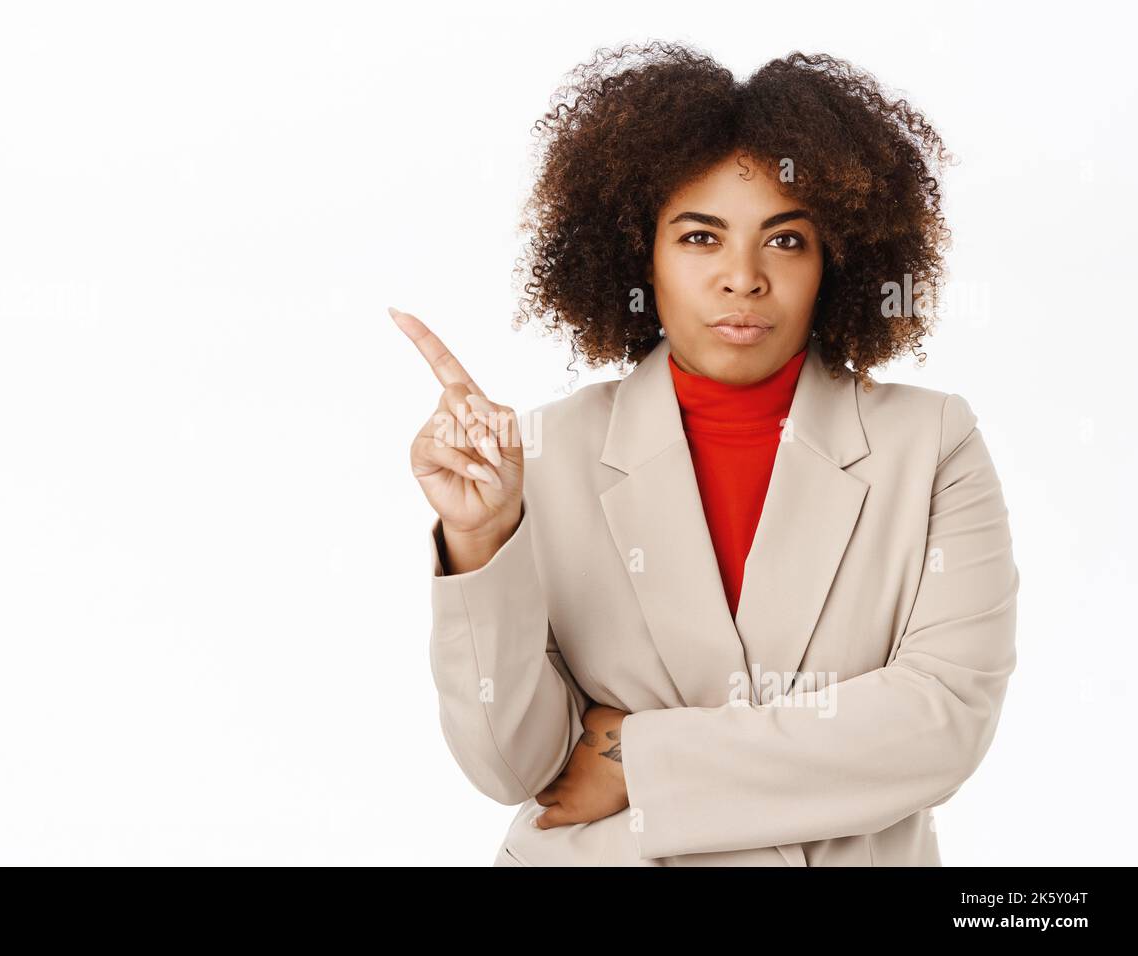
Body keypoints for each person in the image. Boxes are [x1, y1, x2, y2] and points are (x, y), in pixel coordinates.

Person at [394, 44, 1018, 866]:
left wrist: (637, 761)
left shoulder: (932, 444)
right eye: (699, 237)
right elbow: (513, 766)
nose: (743, 278)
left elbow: (941, 727)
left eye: (786, 241)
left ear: (837, 259)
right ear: (638, 255)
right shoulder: (543, 454)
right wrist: (481, 540)